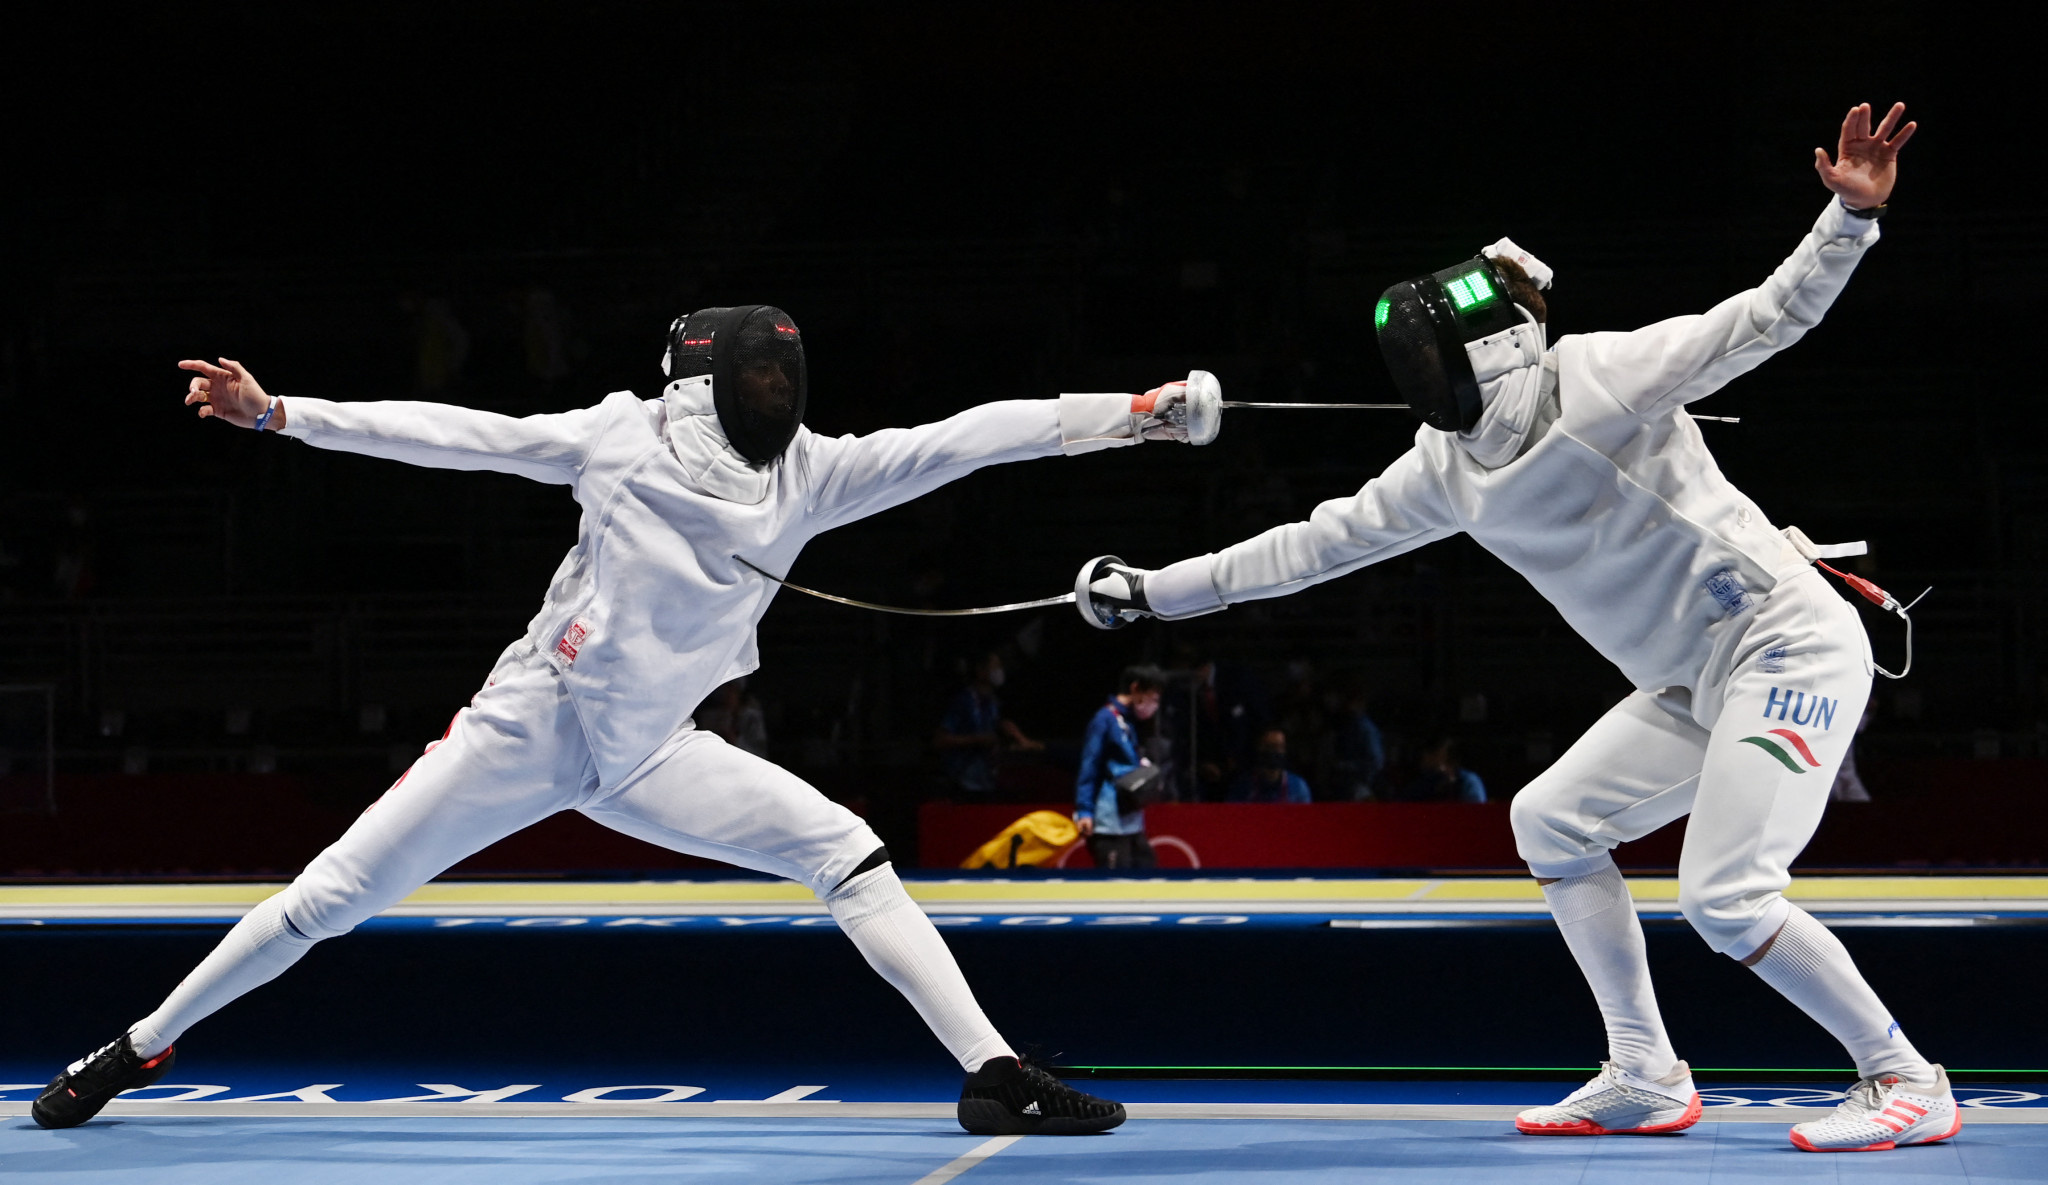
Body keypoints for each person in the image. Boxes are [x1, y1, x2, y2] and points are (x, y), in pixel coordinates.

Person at [30, 306, 1221, 1138]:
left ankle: (991, 1073)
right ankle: (138, 1044)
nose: (769, 401)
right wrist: (283, 414)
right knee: (330, 899)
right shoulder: (620, 437)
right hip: (530, 727)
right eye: (753, 383)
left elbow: (971, 436)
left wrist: (1135, 412)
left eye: (777, 384)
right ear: (705, 383)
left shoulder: (813, 471)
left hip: (653, 753)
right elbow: (454, 435)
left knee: (842, 850)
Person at [1080, 104, 1951, 1153]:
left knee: (1722, 896)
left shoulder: (1604, 378)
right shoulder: (1441, 472)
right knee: (1550, 823)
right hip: (1689, 684)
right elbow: (1303, 549)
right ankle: (1643, 1071)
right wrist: (1152, 592)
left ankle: (1904, 1077)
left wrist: (1846, 217)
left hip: (1786, 643)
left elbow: (1768, 317)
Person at [1074, 666, 1162, 869]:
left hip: (1131, 819)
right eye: (1152, 695)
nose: (1154, 702)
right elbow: (1090, 766)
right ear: (1135, 688)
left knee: (1148, 870)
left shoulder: (1131, 721)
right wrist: (1084, 811)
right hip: (1109, 823)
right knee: (1115, 887)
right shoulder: (1103, 720)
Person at [934, 651, 1042, 796]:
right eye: (995, 666)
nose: (999, 671)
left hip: (987, 781)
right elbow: (940, 741)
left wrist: (1018, 738)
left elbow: (1000, 725)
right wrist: (977, 740)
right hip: (963, 783)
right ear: (981, 671)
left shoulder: (993, 702)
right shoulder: (963, 701)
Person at [1226, 728, 1312, 803]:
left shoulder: (1298, 787)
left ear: (1285, 749)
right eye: (1268, 747)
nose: (1273, 752)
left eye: (1278, 747)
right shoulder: (1242, 787)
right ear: (1259, 748)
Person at [1394, 737, 1486, 803]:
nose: (1425, 758)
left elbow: (1476, 811)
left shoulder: (1469, 780)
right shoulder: (1423, 782)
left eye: (1434, 754)